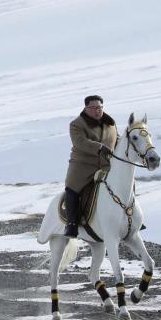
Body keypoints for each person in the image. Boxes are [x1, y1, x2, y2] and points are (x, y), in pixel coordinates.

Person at [63, 95, 117, 237]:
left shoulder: (110, 124)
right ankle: (71, 224)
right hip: (83, 165)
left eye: (99, 107)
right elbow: (80, 142)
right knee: (72, 187)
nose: (97, 110)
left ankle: (130, 215)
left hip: (106, 165)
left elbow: (116, 141)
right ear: (86, 108)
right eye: (93, 108)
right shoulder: (76, 124)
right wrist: (100, 147)